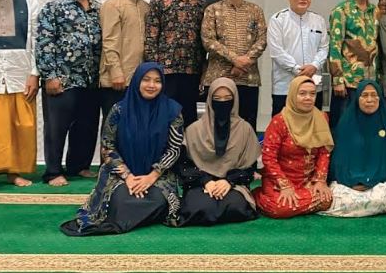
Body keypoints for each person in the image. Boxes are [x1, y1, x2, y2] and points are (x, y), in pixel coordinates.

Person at [60, 62, 183, 236]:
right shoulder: (119, 110)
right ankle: (139, 215)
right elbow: (107, 146)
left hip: (158, 175)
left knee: (157, 199)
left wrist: (151, 177)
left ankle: (133, 215)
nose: (151, 85)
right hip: (121, 173)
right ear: (137, 81)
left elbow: (174, 149)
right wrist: (128, 177)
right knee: (120, 199)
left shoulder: (172, 110)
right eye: (146, 79)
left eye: (157, 81)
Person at [37, 0, 102, 186]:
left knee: (86, 126)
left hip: (91, 79)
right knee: (57, 128)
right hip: (62, 79)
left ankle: (79, 166)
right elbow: (44, 43)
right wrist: (50, 76)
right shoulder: (53, 8)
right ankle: (53, 171)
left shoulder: (99, 9)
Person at [177, 77, 260, 226]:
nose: (222, 102)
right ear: (209, 100)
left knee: (235, 207)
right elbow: (184, 165)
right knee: (201, 207)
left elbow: (250, 166)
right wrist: (205, 181)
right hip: (200, 183)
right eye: (217, 98)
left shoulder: (244, 129)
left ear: (235, 100)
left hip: (233, 184)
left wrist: (228, 181)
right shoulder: (194, 130)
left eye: (228, 98)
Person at [0, 0, 40, 186]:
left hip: (20, 72)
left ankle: (15, 172)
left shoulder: (29, 3)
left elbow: (36, 41)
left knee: (21, 124)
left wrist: (34, 73)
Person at [254, 76, 334, 218]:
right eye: (302, 93)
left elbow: (324, 152)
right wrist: (285, 186)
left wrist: (320, 181)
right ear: (292, 95)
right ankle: (257, 195)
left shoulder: (321, 118)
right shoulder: (279, 121)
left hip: (306, 181)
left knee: (326, 200)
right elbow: (269, 158)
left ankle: (297, 202)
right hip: (278, 180)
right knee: (279, 208)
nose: (308, 98)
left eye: (312, 94)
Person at [201, 0, 268, 130]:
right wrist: (235, 59)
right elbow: (208, 40)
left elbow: (262, 39)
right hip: (219, 77)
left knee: (246, 127)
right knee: (217, 126)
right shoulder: (212, 10)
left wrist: (245, 61)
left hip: (248, 78)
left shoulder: (255, 10)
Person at [322, 80, 386, 217]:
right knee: (338, 199)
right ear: (357, 98)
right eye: (364, 95)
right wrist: (352, 181)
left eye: (374, 95)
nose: (369, 100)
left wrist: (371, 180)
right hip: (348, 182)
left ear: (380, 98)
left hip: (377, 182)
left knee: (381, 199)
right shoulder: (346, 123)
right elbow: (339, 160)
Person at [145, 0, 207, 126]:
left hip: (192, 71)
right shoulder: (159, 1)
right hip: (165, 71)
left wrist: (203, 70)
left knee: (188, 118)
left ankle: (186, 145)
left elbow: (204, 41)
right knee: (162, 117)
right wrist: (154, 70)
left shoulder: (201, 4)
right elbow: (151, 37)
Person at [99, 0, 150, 125]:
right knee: (113, 127)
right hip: (117, 80)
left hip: (139, 80)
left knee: (136, 127)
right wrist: (116, 71)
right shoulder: (113, 5)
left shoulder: (146, 7)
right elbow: (109, 41)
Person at [329, 0, 379, 128]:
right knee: (345, 125)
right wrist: (337, 80)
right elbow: (335, 45)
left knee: (367, 126)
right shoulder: (341, 11)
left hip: (371, 80)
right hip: (348, 81)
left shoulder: (376, 11)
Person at [269, 0, 328, 114]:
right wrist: (297, 69)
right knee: (284, 123)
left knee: (313, 122)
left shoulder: (318, 20)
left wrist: (314, 65)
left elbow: (324, 48)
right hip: (285, 85)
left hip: (313, 84)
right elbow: (277, 52)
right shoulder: (278, 20)